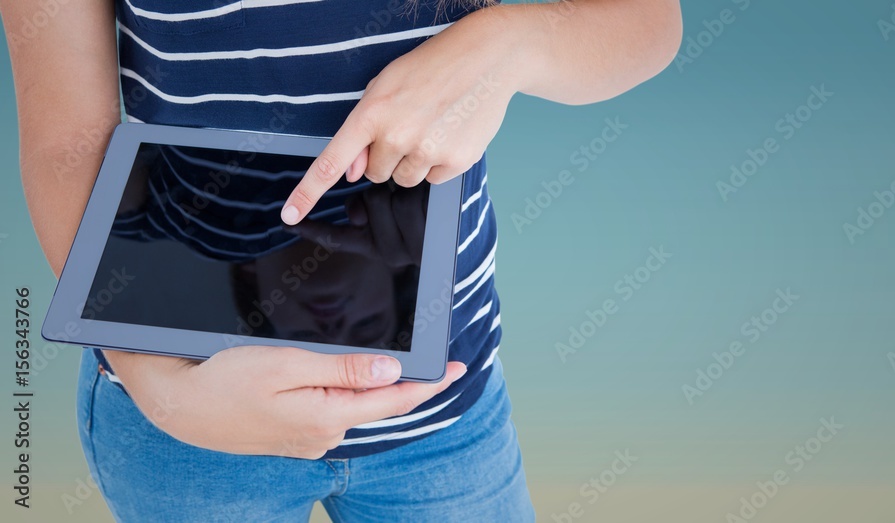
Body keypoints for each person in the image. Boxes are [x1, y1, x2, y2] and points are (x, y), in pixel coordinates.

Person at [0, 0, 682, 520]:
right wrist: (160, 385)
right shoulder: (174, 392)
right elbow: (66, 141)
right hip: (192, 397)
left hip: (444, 405)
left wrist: (514, 40)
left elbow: (649, 21)